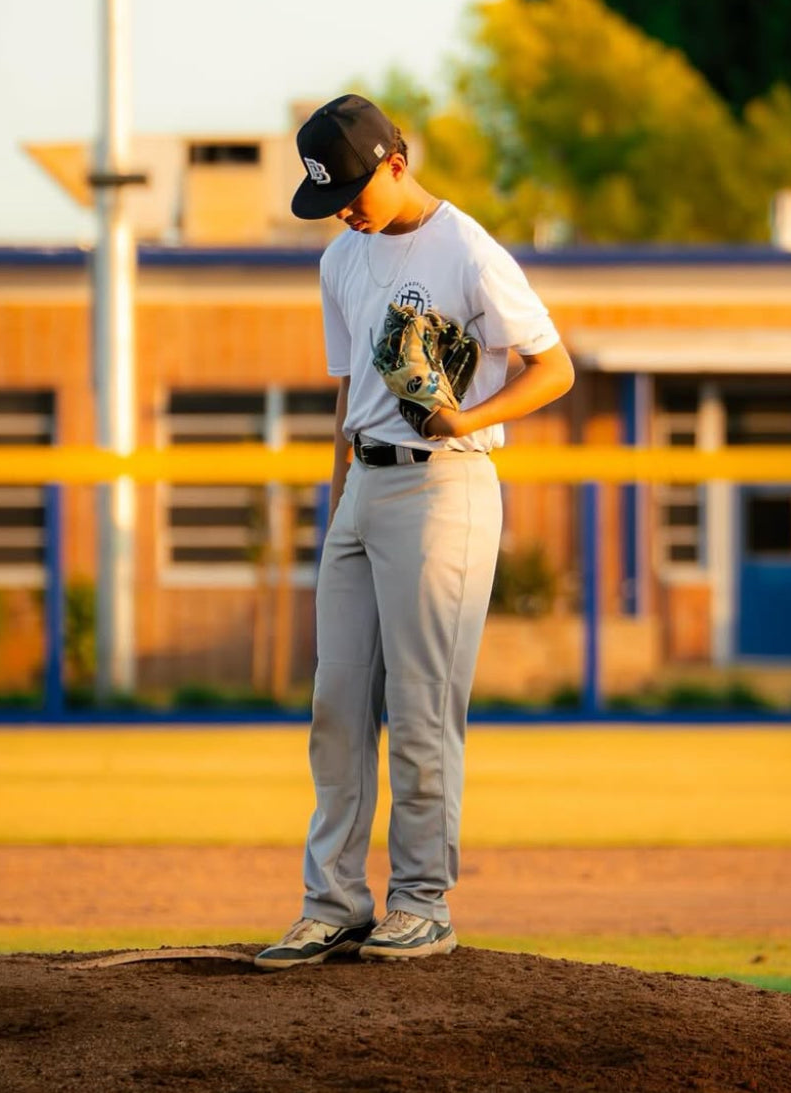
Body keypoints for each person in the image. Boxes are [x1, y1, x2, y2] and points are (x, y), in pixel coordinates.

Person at [255, 94, 574, 969]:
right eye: (328, 197)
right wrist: (338, 503)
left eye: (352, 188)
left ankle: (421, 901)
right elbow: (347, 392)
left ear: (395, 160)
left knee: (423, 705)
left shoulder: (467, 249)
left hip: (445, 487)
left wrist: (467, 419)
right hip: (363, 485)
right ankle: (333, 902)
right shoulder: (340, 260)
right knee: (337, 702)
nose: (344, 209)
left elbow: (555, 367)